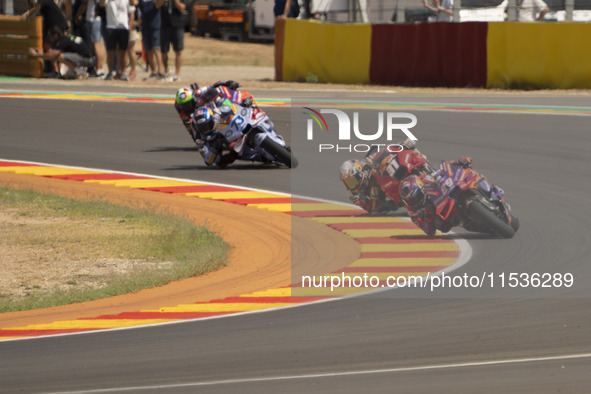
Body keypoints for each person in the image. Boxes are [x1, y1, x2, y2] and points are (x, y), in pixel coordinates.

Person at [338, 140, 430, 215]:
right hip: (386, 198)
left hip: (384, 175)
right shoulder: (354, 195)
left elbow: (379, 153)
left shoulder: (364, 165)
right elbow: (372, 210)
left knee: (407, 150)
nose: (351, 185)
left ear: (359, 173)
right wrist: (374, 198)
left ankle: (424, 165)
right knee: (392, 203)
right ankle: (408, 202)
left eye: (352, 181)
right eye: (347, 183)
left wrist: (400, 145)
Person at [399, 157, 472, 236]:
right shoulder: (412, 212)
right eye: (409, 201)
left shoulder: (425, 181)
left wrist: (456, 164)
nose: (414, 202)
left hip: (447, 194)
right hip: (443, 219)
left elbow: (442, 169)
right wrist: (428, 215)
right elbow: (429, 232)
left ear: (421, 189)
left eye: (416, 197)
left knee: (460, 168)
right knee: (442, 225)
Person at [21, 0, 70, 76]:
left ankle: (57, 71)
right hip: (56, 26)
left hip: (57, 26)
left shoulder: (43, 1)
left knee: (49, 46)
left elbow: (37, 8)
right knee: (55, 48)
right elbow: (37, 11)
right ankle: (58, 71)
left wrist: (27, 13)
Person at [28, 25, 95, 79]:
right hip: (89, 58)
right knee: (68, 75)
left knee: (60, 57)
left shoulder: (63, 41)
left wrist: (37, 55)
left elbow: (52, 55)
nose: (50, 39)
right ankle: (79, 71)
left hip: (87, 60)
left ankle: (81, 72)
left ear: (56, 36)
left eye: (50, 36)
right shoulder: (67, 38)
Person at [101, 0, 131, 80]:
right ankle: (110, 72)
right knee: (110, 52)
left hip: (123, 27)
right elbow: (102, 4)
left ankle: (123, 72)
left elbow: (133, 5)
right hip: (111, 27)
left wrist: (130, 26)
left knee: (123, 52)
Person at [138, 0, 165, 80]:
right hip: (145, 27)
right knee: (149, 50)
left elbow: (158, 5)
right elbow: (134, 3)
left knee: (157, 49)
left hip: (155, 26)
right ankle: (153, 72)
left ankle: (160, 72)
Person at [160, 0, 186, 82]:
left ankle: (177, 74)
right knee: (164, 51)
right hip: (165, 26)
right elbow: (157, 6)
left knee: (178, 51)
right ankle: (166, 70)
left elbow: (182, 8)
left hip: (178, 26)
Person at [85, 0, 106, 77]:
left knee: (96, 44)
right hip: (95, 18)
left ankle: (99, 68)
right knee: (98, 44)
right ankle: (99, 67)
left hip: (94, 19)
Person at [125, 0, 140, 80]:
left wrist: (132, 25)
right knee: (123, 49)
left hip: (131, 28)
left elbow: (134, 11)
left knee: (131, 49)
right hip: (122, 26)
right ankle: (122, 71)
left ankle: (133, 71)